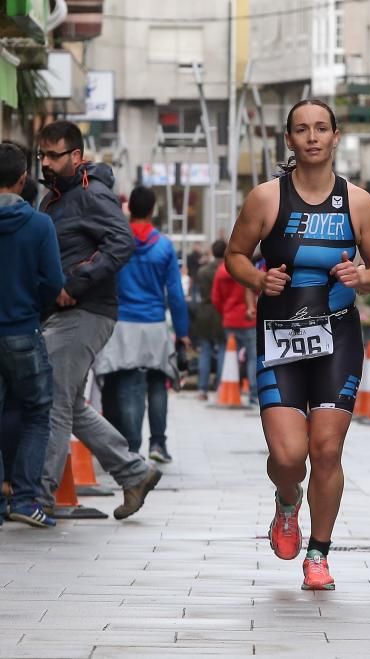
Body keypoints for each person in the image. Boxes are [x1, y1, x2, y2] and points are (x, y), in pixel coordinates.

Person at [225, 99, 370, 590]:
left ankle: (318, 553)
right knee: (287, 455)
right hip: (278, 337)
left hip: (337, 336)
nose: (313, 137)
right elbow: (236, 254)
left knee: (325, 450)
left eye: (322, 128)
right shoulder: (265, 198)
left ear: (336, 136)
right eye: (302, 129)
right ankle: (286, 500)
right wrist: (258, 280)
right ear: (289, 139)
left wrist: (362, 277)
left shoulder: (358, 201)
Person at [36, 120, 162, 520]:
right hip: (63, 312)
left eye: (54, 155)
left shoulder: (93, 194)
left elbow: (120, 243)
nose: (46, 163)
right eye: (41, 155)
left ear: (76, 156)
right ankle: (134, 472)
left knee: (55, 401)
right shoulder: (52, 199)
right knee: (70, 404)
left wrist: (75, 283)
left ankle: (38, 497)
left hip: (85, 310)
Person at [93, 186, 191, 464]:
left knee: (129, 384)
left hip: (123, 325)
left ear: (129, 209)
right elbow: (175, 293)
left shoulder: (118, 242)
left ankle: (131, 448)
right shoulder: (164, 246)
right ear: (152, 210)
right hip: (155, 325)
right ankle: (158, 444)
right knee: (159, 383)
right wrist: (182, 333)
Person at [0, 143, 64, 527]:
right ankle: (24, 499)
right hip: (24, 328)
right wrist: (34, 304)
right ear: (23, 180)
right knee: (38, 412)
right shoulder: (40, 224)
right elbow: (53, 282)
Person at [212, 244, 259, 405]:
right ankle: (253, 393)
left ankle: (224, 386)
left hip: (229, 319)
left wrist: (225, 312)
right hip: (249, 319)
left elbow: (216, 298)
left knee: (227, 355)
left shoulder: (220, 272)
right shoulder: (249, 272)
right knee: (252, 357)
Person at [192, 240, 227, 400]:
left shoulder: (202, 271)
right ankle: (220, 386)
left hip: (204, 313)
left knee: (205, 352)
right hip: (221, 313)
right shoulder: (228, 270)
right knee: (222, 351)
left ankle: (202, 389)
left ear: (212, 252)